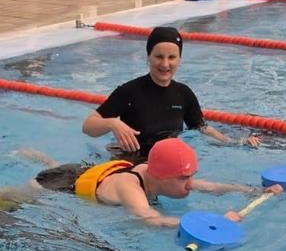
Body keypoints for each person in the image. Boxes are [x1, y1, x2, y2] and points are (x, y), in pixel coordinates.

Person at [0, 138, 281, 228]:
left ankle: (40, 156)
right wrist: (212, 220)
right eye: (184, 178)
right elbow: (149, 219)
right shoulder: (131, 187)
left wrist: (253, 191)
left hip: (86, 172)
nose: (190, 184)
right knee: (3, 200)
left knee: (67, 169)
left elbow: (209, 186)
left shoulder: (159, 174)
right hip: (56, 185)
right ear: (160, 177)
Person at [82, 26, 260, 164]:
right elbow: (88, 126)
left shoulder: (184, 94)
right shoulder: (130, 91)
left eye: (172, 57)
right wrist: (112, 123)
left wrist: (237, 142)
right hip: (131, 162)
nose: (165, 64)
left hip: (167, 163)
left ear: (179, 59)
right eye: (159, 56)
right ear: (148, 57)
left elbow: (203, 128)